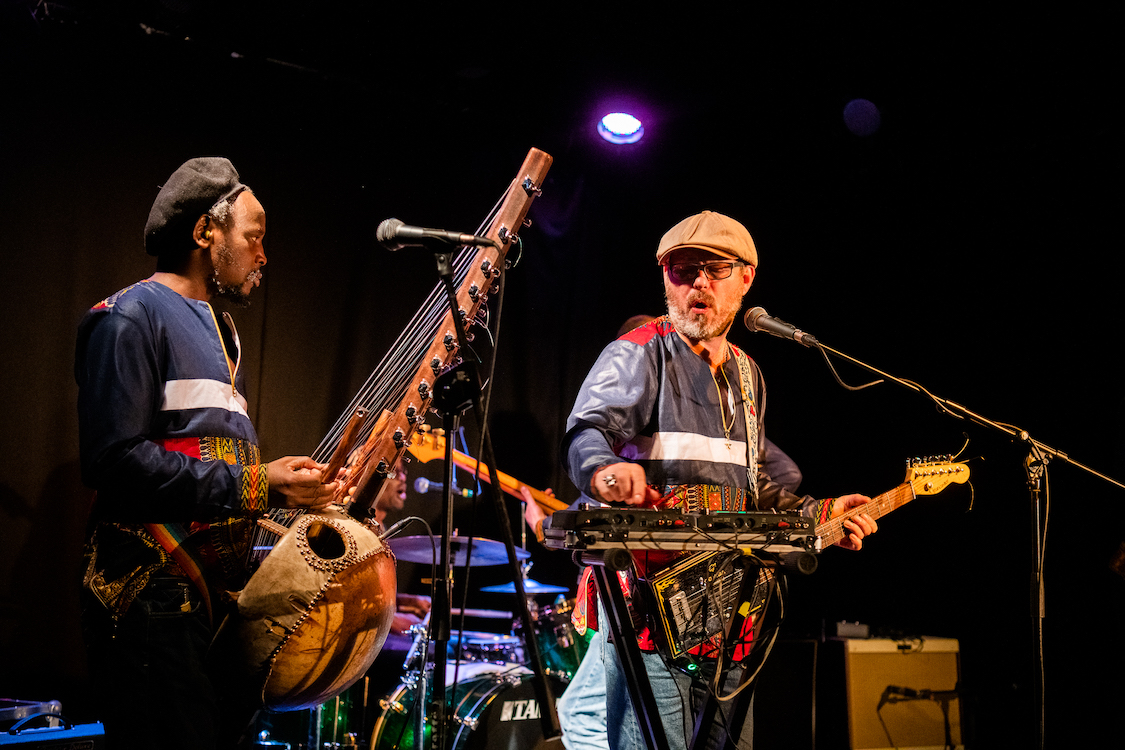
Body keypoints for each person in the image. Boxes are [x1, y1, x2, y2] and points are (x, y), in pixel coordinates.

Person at [561, 210, 878, 750]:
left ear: (746, 279)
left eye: (714, 269)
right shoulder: (637, 351)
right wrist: (605, 472)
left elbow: (754, 487)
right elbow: (586, 432)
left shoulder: (748, 374)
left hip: (731, 618)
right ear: (666, 278)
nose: (698, 283)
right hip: (652, 619)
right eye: (683, 271)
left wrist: (822, 512)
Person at [75, 157, 339, 750]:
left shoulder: (224, 334)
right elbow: (113, 461)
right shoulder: (128, 318)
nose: (263, 255)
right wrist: (258, 485)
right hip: (152, 598)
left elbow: (204, 460)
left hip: (211, 604)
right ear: (205, 234)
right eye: (254, 237)